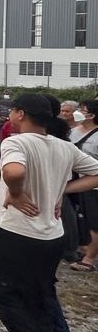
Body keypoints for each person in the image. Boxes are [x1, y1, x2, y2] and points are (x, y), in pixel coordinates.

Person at [0, 94, 98, 332]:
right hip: (52, 235)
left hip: (20, 233)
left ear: (20, 114)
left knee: (0, 289)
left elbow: (13, 171)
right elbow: (96, 174)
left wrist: (17, 191)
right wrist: (62, 189)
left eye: (12, 111)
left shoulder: (16, 142)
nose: (10, 115)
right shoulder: (64, 147)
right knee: (37, 293)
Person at [70, 99, 98, 273]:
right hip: (74, 182)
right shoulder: (73, 131)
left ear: (92, 115)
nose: (78, 111)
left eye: (83, 109)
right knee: (79, 218)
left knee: (94, 223)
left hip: (93, 185)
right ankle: (82, 248)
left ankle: (89, 259)